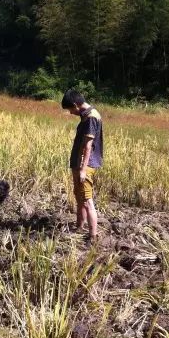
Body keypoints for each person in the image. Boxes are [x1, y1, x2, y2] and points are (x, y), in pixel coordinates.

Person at [61, 89, 104, 243]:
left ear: (75, 105)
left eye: (70, 109)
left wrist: (83, 170)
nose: (71, 113)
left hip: (85, 165)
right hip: (79, 164)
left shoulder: (91, 118)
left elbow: (88, 146)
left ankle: (93, 236)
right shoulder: (86, 116)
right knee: (80, 198)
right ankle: (79, 227)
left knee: (87, 200)